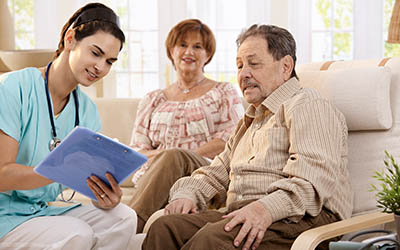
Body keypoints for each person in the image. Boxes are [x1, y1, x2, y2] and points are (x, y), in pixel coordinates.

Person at [142, 24, 353, 250]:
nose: (243, 74)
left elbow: (311, 184)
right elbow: (215, 172)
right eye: (240, 65)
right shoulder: (250, 120)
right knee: (165, 228)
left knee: (211, 240)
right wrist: (187, 194)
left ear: (285, 66)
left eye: (254, 64)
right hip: (244, 213)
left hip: (302, 219)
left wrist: (264, 209)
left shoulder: (308, 106)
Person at [0, 3, 139, 249]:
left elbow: (82, 179)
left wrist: (104, 197)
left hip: (41, 212)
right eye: (95, 53)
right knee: (76, 233)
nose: (101, 67)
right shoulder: (14, 88)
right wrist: (56, 168)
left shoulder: (87, 111)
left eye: (109, 61)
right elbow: (1, 175)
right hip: (5, 216)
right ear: (70, 39)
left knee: (123, 217)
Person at [127, 19, 244, 233]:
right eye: (182, 45)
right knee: (171, 157)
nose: (189, 51)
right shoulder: (153, 99)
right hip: (154, 177)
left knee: (174, 157)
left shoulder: (224, 91)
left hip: (204, 172)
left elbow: (231, 141)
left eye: (197, 46)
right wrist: (166, 160)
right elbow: (135, 151)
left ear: (207, 55)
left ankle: (127, 231)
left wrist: (178, 157)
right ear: (171, 51)